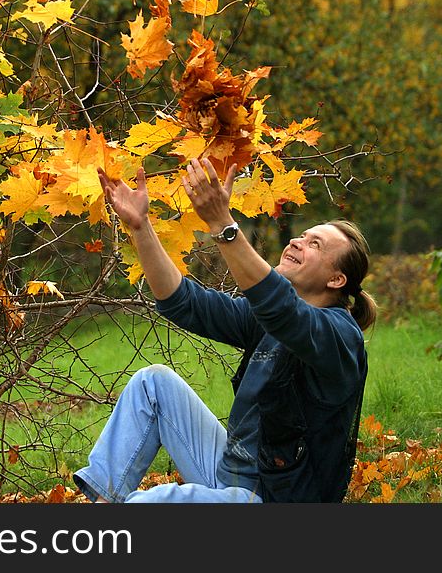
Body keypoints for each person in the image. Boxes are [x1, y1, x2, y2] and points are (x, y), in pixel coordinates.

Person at [72, 158, 377, 503]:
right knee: (152, 383)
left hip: (274, 498)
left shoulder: (339, 337)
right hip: (230, 475)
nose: (296, 242)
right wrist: (140, 227)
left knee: (149, 504)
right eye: (302, 236)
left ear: (336, 280)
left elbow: (284, 311)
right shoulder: (266, 320)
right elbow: (184, 303)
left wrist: (221, 222)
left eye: (315, 245)